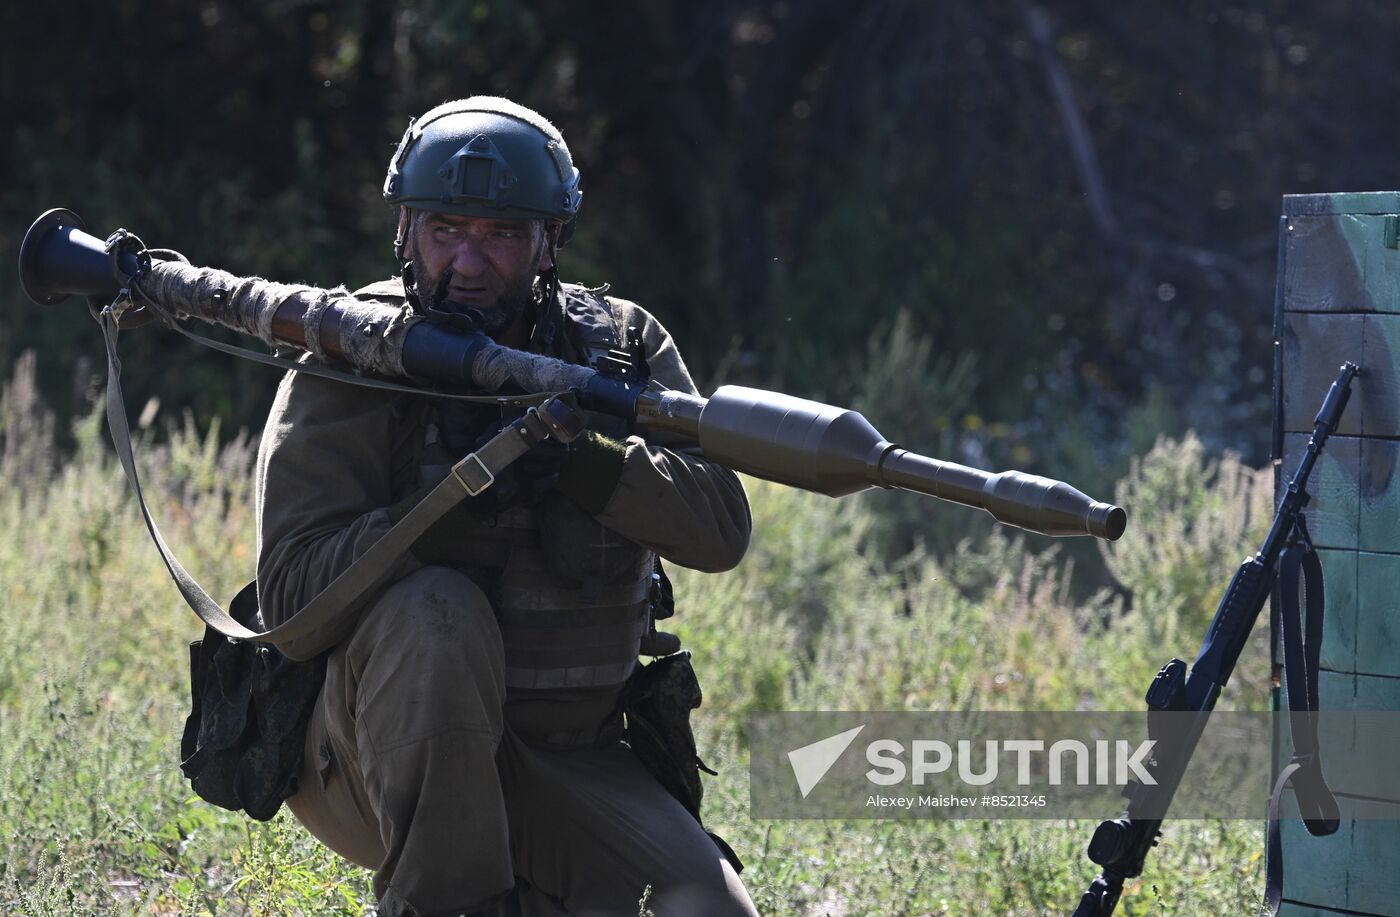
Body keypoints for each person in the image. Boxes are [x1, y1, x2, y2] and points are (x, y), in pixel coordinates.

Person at [253, 97, 758, 917]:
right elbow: (292, 608)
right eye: (446, 230)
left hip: (573, 754)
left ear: (548, 242)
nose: (470, 263)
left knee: (708, 911)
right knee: (436, 612)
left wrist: (583, 462)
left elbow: (720, 526)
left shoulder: (618, 348)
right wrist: (438, 513)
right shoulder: (356, 351)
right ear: (407, 230)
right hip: (368, 756)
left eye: (501, 234)